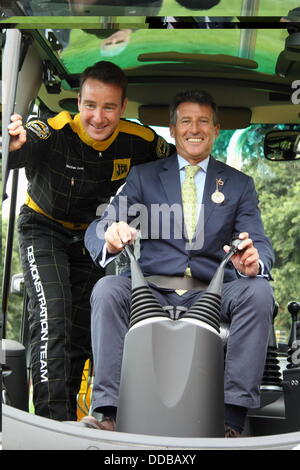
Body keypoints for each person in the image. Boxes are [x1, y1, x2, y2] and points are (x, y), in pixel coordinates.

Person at [83, 89, 275, 437]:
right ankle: (108, 413)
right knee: (107, 288)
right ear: (172, 129)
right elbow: (99, 227)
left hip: (214, 293)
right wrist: (110, 233)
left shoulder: (238, 184)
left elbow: (258, 240)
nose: (194, 129)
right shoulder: (144, 177)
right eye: (186, 121)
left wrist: (254, 261)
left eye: (203, 121)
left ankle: (230, 421)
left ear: (216, 129)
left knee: (259, 293)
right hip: (152, 289)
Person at [7, 60, 173, 422]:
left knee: (82, 332)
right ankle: (53, 426)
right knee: (55, 317)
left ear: (122, 107)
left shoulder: (141, 140)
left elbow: (182, 167)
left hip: (92, 238)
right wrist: (16, 144)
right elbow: (24, 144)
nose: (98, 117)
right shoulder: (53, 130)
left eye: (109, 107)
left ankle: (72, 422)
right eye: (90, 105)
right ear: (78, 102)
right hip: (43, 228)